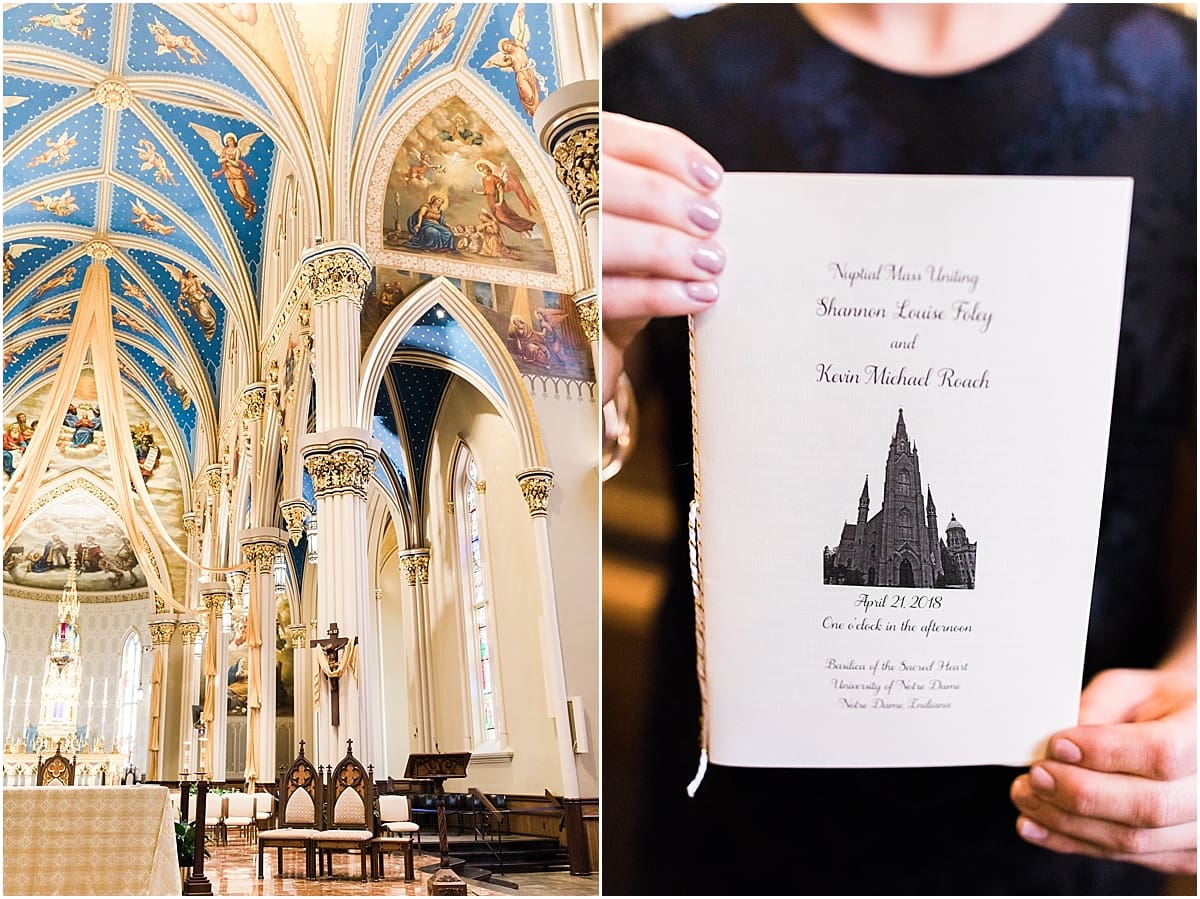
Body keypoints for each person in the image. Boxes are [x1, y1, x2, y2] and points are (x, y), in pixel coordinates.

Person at [602, 4, 1195, 895]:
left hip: (1063, 825)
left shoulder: (1181, 86)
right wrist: (580, 346)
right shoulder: (656, 82)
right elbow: (582, 465)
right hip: (741, 830)